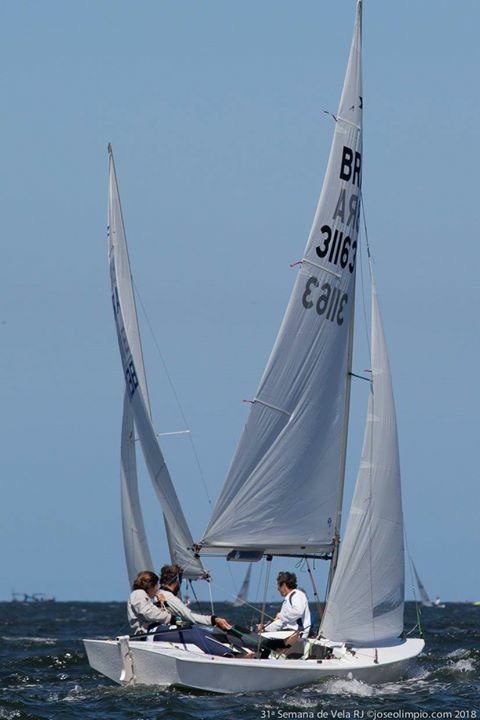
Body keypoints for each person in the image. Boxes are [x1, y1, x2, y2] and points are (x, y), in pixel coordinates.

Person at [158, 564, 232, 631]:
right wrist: (214, 620)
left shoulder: (156, 594)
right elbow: (190, 617)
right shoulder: (170, 597)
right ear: (177, 580)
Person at [256, 571, 311, 640]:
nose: (278, 589)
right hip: (289, 633)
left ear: (284, 585)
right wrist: (265, 628)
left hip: (298, 635)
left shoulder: (297, 594)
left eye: (278, 585)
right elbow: (281, 622)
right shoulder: (287, 600)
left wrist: (282, 616)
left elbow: (298, 612)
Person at [127, 570, 171, 636]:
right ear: (150, 586)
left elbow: (156, 614)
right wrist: (169, 617)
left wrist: (162, 603)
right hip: (144, 634)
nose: (157, 589)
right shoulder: (138, 593)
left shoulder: (147, 597)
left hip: (153, 631)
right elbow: (149, 614)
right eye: (156, 586)